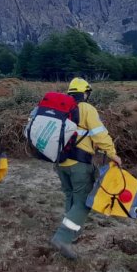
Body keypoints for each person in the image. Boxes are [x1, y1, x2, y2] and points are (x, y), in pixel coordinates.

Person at [50, 78, 122, 260]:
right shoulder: (86, 109)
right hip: (79, 164)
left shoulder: (60, 108)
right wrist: (112, 153)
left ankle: (72, 231)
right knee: (83, 202)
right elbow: (99, 135)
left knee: (71, 196)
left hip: (60, 163)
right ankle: (63, 237)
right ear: (84, 93)